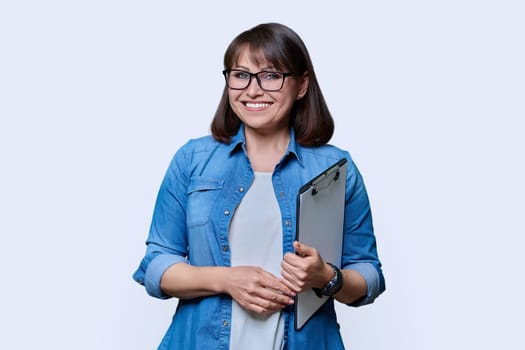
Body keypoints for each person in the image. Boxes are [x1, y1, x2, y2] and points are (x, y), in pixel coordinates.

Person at [133, 22, 385, 350]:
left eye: (271, 75)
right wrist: (226, 280)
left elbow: (369, 275)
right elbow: (155, 264)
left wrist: (326, 276)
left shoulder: (336, 169)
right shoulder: (193, 159)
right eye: (240, 75)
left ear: (301, 85)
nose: (252, 90)